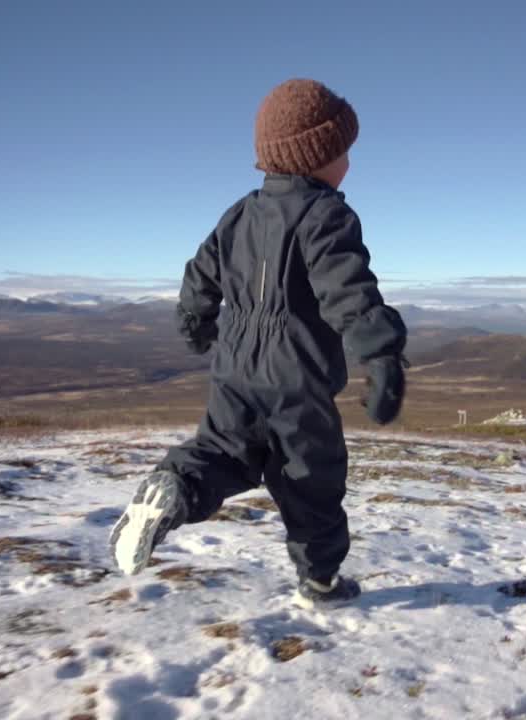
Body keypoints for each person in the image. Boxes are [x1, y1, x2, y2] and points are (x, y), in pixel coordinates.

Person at [109, 78, 408, 608]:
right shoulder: (328, 215)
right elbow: (348, 290)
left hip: (234, 367)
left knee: (224, 450)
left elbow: (200, 274)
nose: (349, 163)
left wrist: (195, 322)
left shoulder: (238, 214)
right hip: (297, 379)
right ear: (316, 156)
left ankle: (175, 487)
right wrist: (380, 354)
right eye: (343, 151)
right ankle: (320, 581)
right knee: (310, 481)